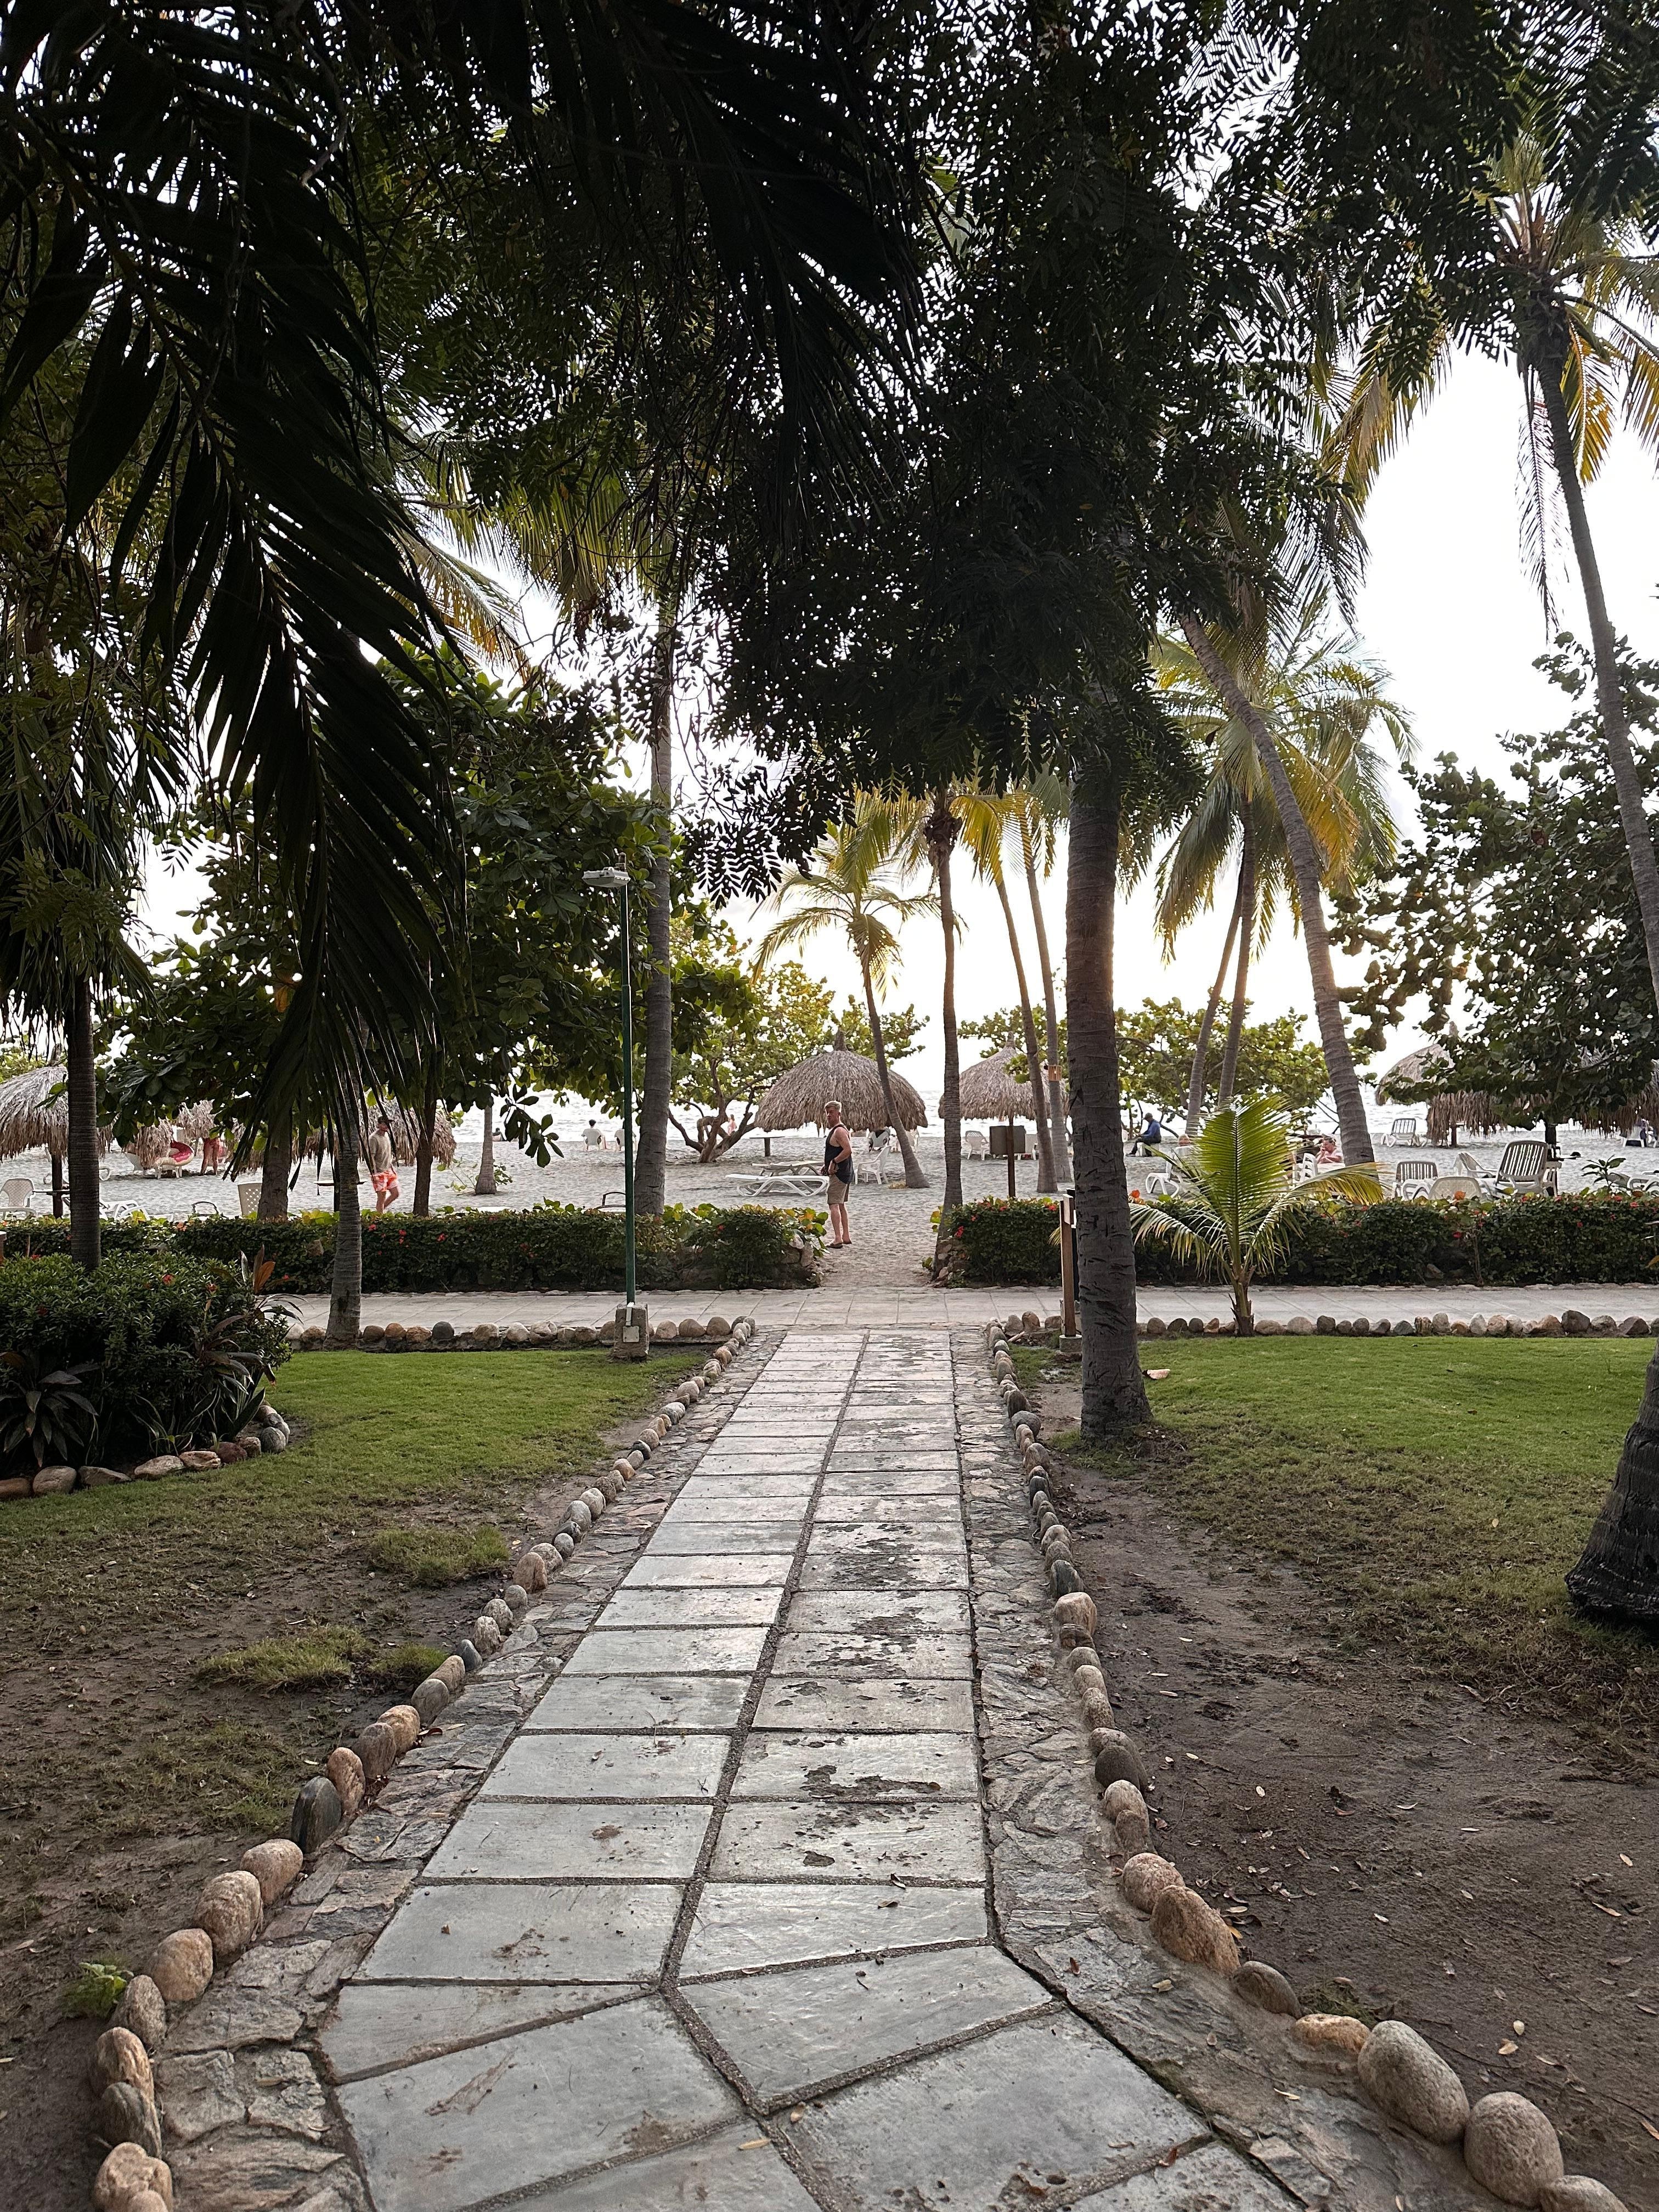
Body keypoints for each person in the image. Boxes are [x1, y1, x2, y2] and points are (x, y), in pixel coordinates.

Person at [823, 1099, 855, 1248]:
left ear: (839, 1114)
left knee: (833, 1204)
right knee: (841, 1205)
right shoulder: (839, 1130)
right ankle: (846, 1236)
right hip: (844, 1172)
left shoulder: (840, 1131)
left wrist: (834, 1162)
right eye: (827, 1112)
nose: (829, 1115)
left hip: (840, 1173)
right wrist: (827, 1164)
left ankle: (837, 1238)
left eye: (831, 1112)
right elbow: (837, 1150)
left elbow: (848, 1150)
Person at [366, 1115, 399, 1212]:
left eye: (388, 1124)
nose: (387, 1126)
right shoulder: (373, 1138)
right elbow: (371, 1157)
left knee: (396, 1193)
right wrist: (374, 1174)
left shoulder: (387, 1136)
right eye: (384, 1124)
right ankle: (378, 1218)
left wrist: (392, 1169)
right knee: (381, 1197)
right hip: (379, 1172)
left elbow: (387, 1154)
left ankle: (378, 1212)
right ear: (378, 1125)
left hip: (388, 1169)